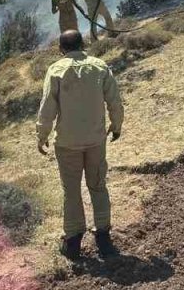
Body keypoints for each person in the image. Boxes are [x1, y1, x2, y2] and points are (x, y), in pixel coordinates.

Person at [36, 29, 124, 260]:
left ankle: (73, 242)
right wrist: (116, 126)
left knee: (71, 191)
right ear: (83, 45)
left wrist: (41, 135)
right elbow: (115, 100)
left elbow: (47, 109)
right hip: (96, 140)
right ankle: (104, 238)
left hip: (67, 144)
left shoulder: (56, 70)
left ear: (61, 50)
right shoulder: (100, 66)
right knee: (98, 186)